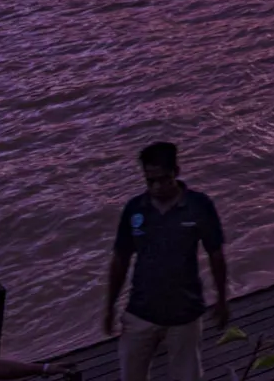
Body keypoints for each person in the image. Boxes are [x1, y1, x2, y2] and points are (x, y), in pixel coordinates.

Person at [105, 142, 228, 381]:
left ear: (177, 172)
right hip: (140, 312)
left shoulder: (199, 206)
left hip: (185, 314)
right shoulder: (134, 209)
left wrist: (222, 300)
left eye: (164, 179)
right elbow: (120, 259)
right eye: (150, 181)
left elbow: (216, 254)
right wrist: (109, 307)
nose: (157, 187)